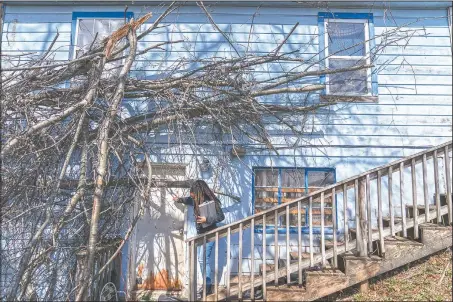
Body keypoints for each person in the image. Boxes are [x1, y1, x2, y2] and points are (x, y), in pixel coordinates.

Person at [173, 180, 225, 297]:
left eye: (194, 195)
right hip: (201, 234)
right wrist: (179, 199)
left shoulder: (211, 201)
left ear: (199, 193)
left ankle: (207, 287)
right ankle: (206, 286)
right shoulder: (195, 199)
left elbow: (221, 216)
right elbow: (188, 200)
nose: (193, 198)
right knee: (201, 260)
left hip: (210, 233)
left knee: (203, 259)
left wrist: (207, 220)